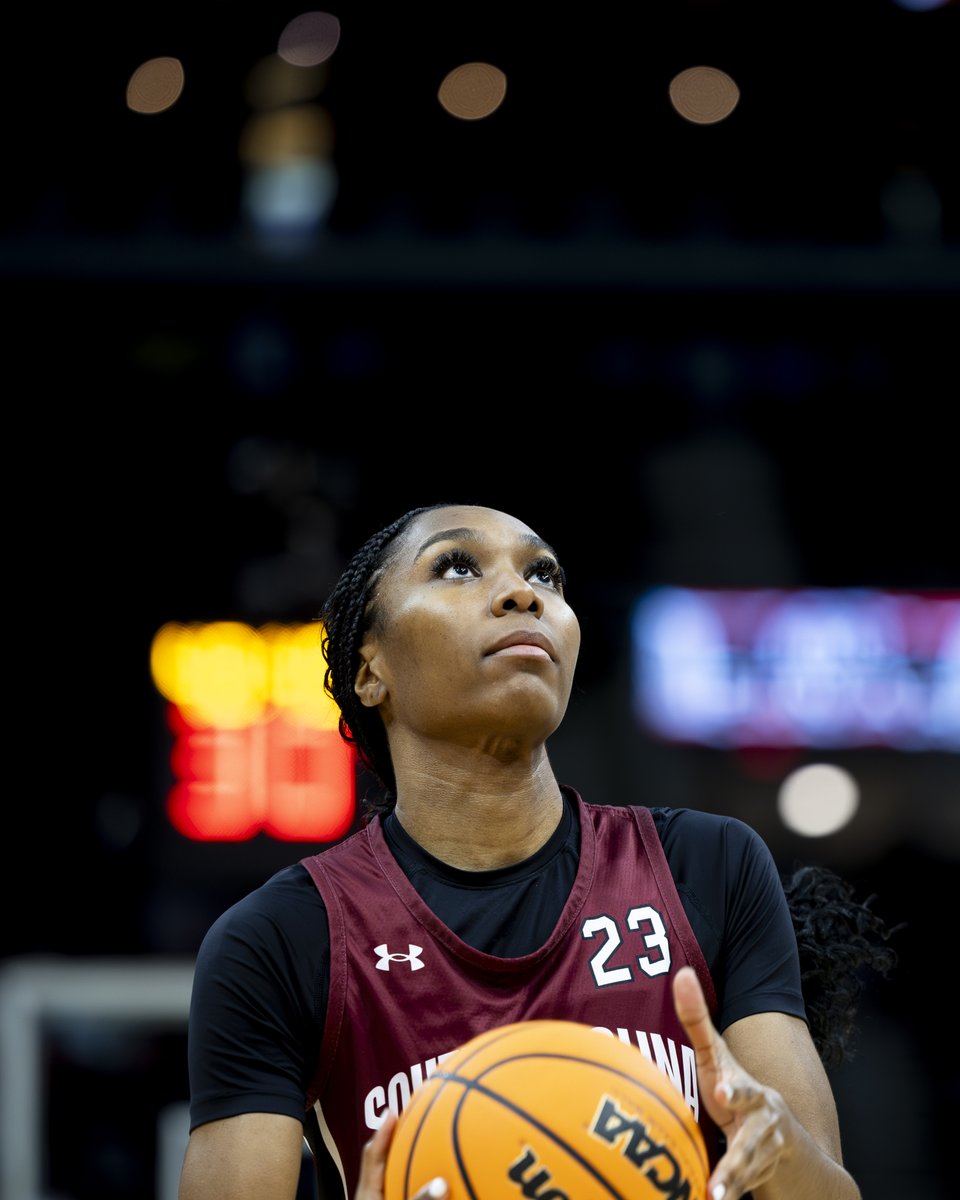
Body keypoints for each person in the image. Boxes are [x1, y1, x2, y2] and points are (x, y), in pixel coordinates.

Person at [178, 501, 897, 1200]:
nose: (523, 592)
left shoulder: (708, 865)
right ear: (370, 670)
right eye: (457, 567)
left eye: (546, 576)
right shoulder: (281, 940)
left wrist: (781, 1146)